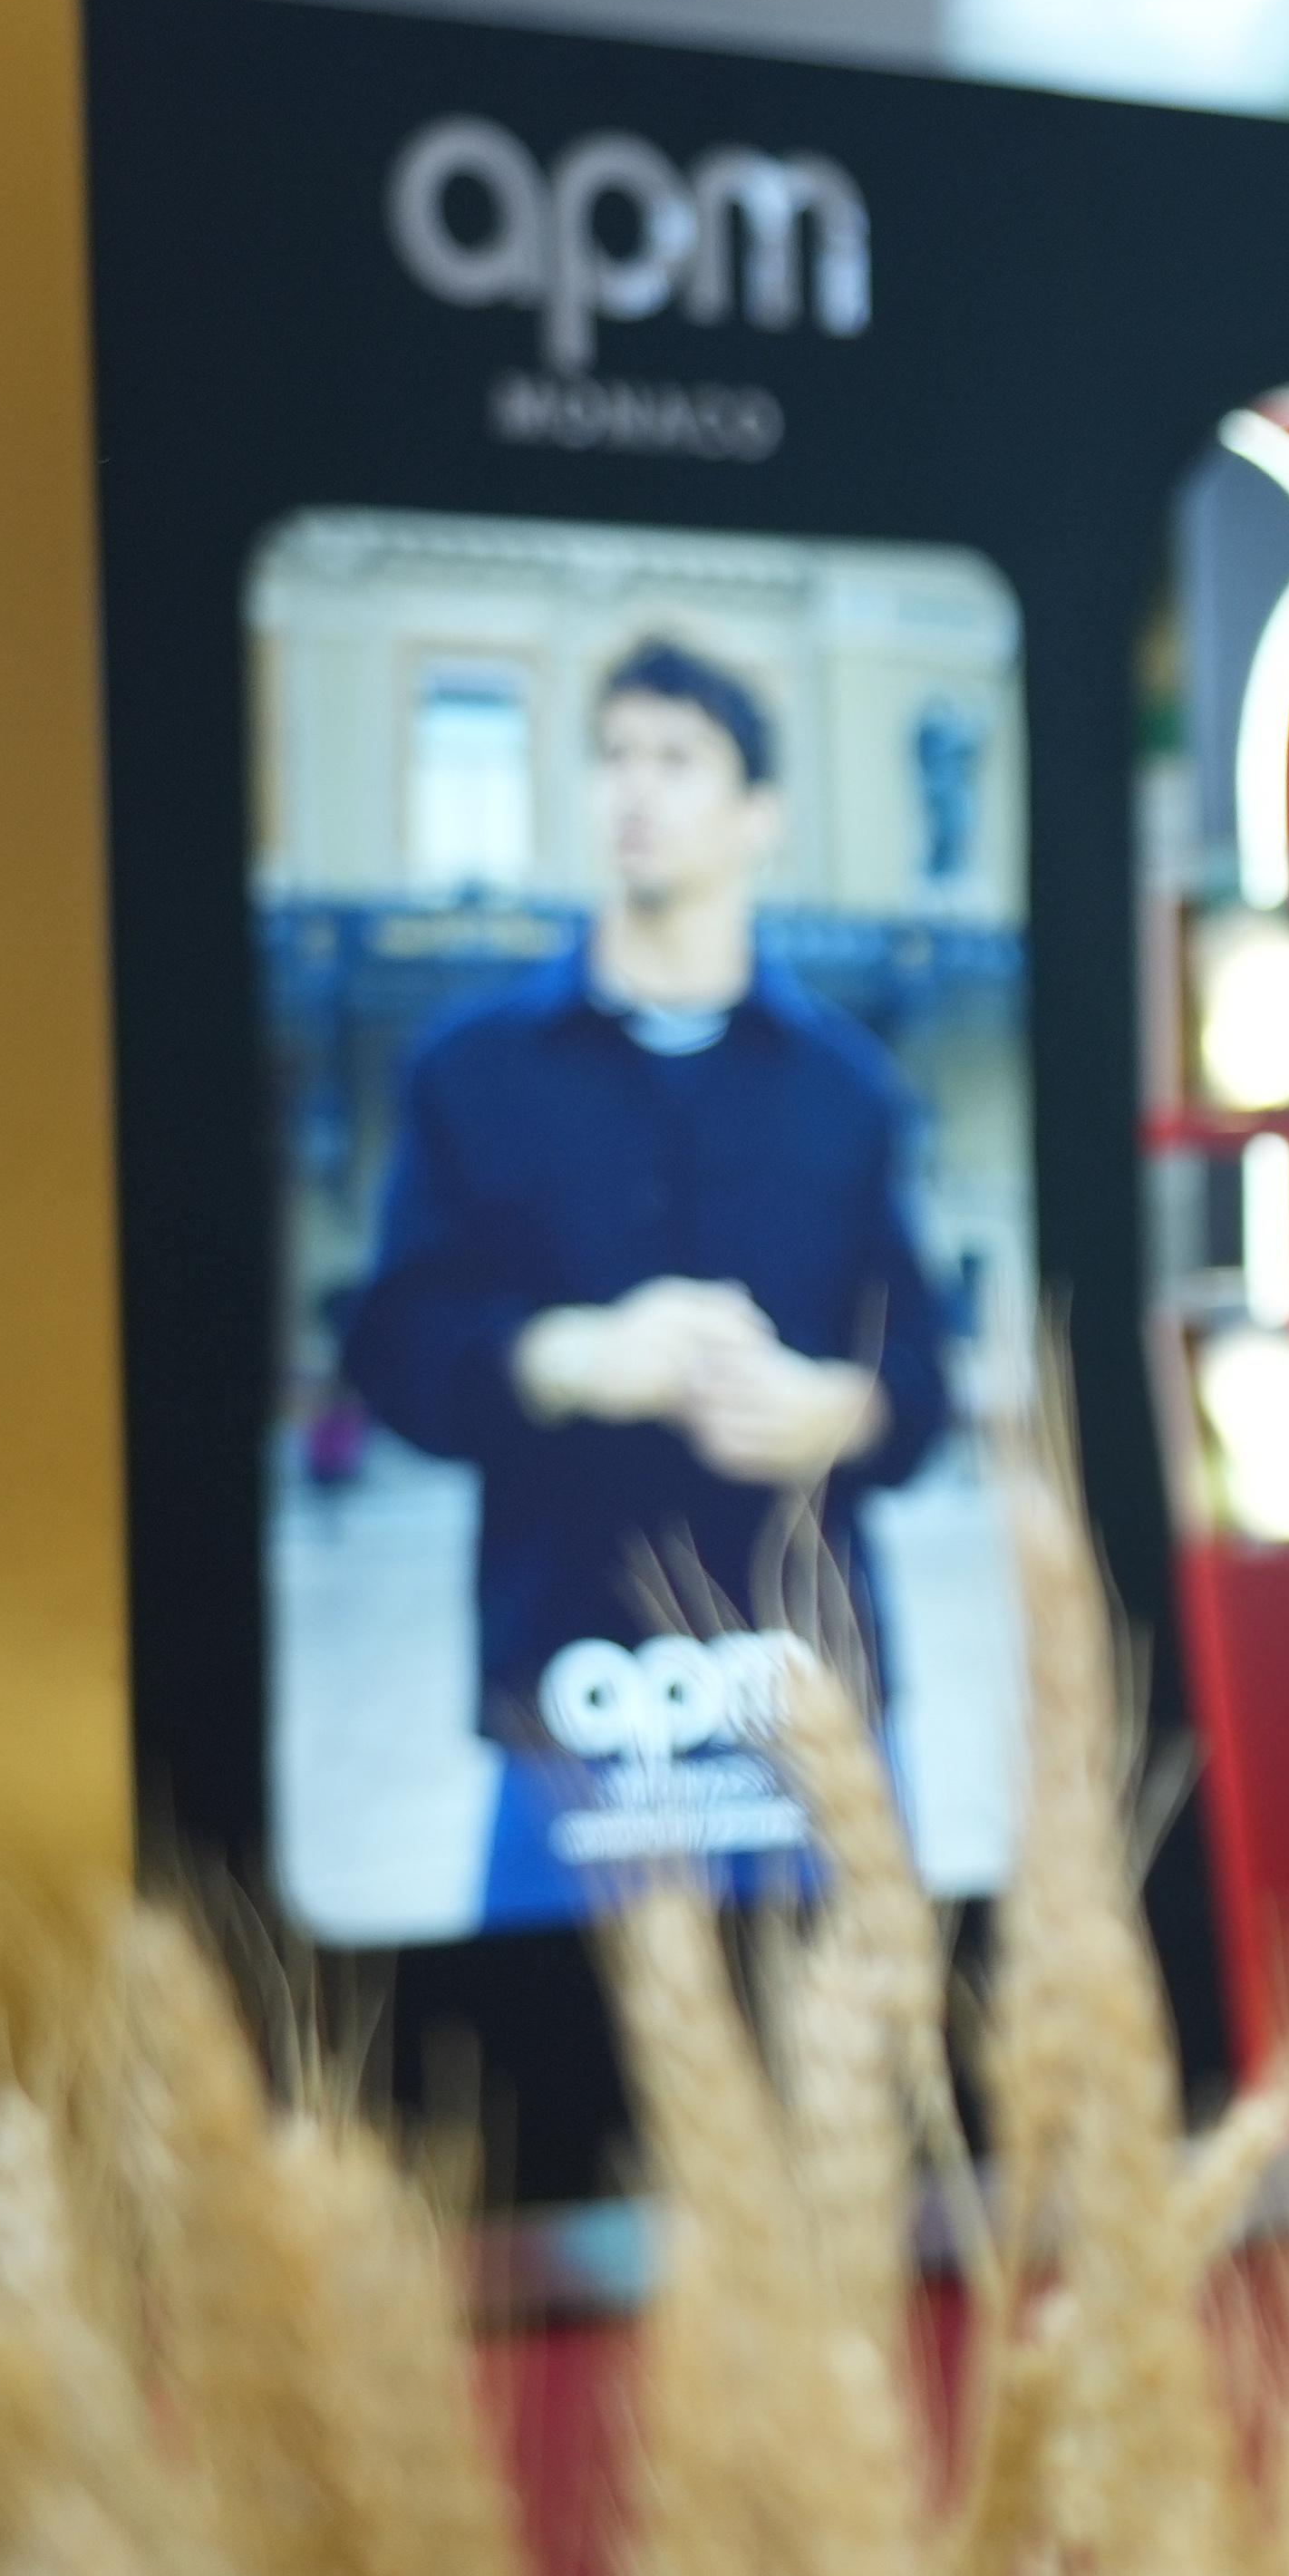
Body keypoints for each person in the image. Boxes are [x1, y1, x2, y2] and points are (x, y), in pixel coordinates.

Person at [342, 635, 956, 1932]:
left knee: (868, 2041)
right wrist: (562, 1360)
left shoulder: (849, 1089)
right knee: (542, 2048)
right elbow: (394, 1344)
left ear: (758, 816)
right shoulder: (470, 1072)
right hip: (571, 1698)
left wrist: (838, 1411)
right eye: (615, 755)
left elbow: (922, 1371)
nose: (635, 786)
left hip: (809, 1690)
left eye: (678, 760)